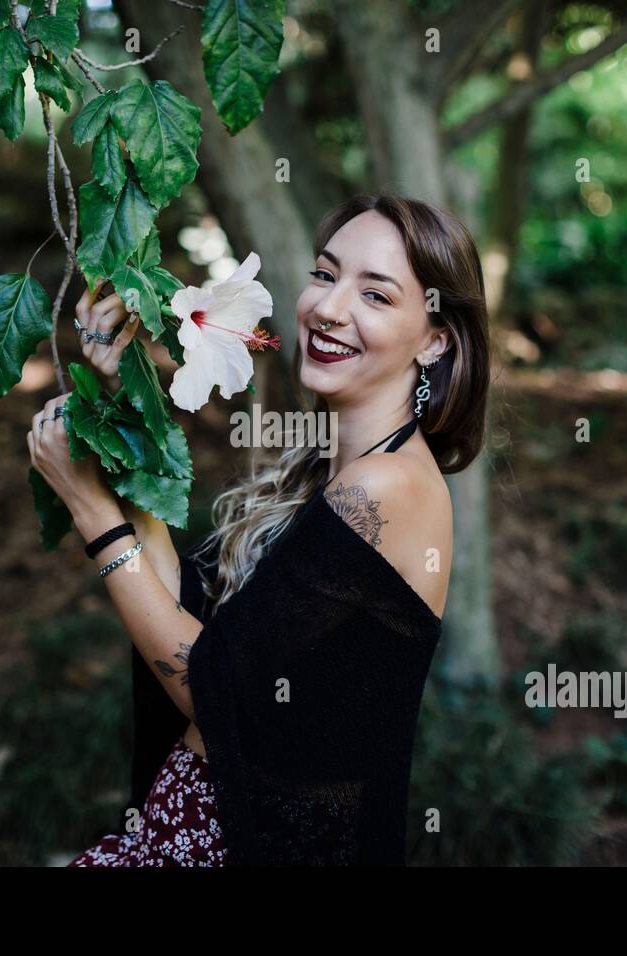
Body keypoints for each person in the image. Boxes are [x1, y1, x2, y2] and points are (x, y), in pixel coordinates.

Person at [28, 193, 491, 866]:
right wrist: (125, 396)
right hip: (186, 831)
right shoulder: (329, 468)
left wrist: (96, 516)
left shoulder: (388, 488)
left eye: (377, 296)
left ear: (436, 337)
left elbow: (213, 687)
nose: (329, 309)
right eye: (326, 275)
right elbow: (191, 618)